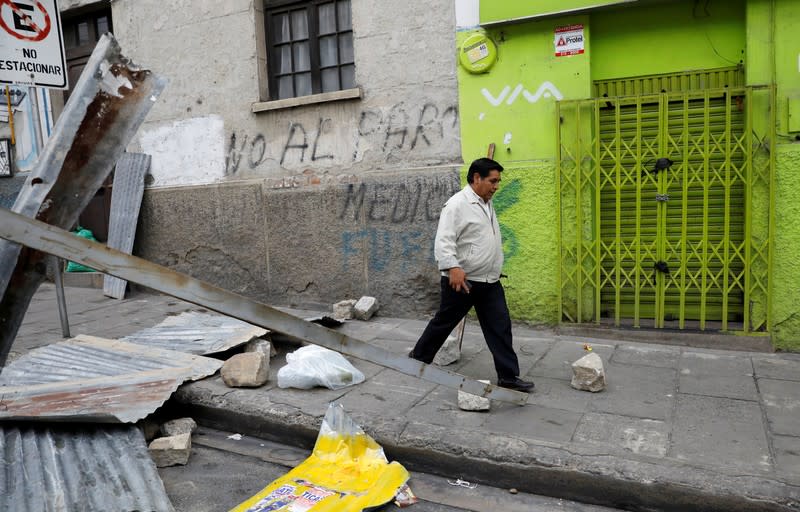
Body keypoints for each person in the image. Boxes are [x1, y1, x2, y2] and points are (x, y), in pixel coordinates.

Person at [409, 158, 534, 392]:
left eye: (498, 181)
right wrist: (452, 268)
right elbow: (443, 240)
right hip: (463, 281)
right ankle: (418, 358)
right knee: (444, 322)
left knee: (500, 327)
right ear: (476, 178)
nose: (496, 186)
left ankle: (508, 376)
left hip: (490, 280)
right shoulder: (457, 204)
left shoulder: (486, 202)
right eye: (492, 181)